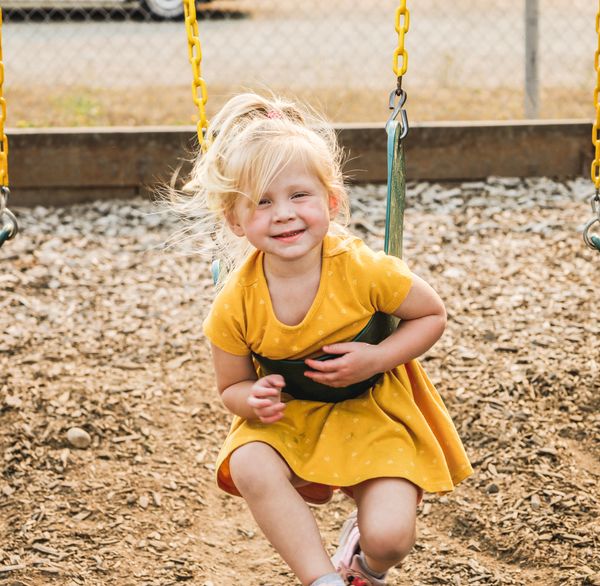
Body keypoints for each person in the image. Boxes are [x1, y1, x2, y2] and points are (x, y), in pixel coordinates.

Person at [174, 92, 473, 586]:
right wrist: (255, 398)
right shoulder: (235, 301)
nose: (284, 214)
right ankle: (322, 579)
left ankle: (364, 566)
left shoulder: (362, 269)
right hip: (292, 416)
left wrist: (376, 358)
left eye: (299, 196)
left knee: (392, 538)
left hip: (373, 407)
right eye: (263, 202)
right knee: (248, 460)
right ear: (235, 220)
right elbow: (231, 389)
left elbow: (432, 316)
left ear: (331, 201)